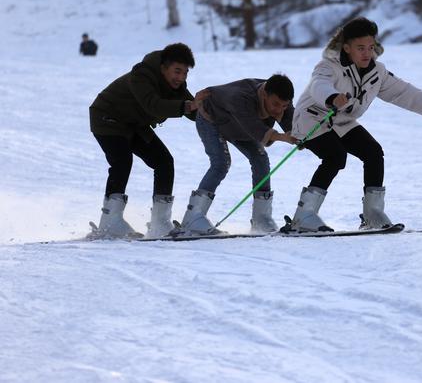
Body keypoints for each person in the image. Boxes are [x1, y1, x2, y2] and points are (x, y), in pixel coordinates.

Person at [285, 17, 422, 233]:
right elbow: (319, 85)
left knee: (373, 152)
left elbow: (403, 92)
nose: (367, 53)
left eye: (371, 47)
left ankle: (372, 214)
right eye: (360, 48)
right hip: (313, 118)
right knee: (335, 156)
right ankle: (303, 217)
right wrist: (332, 97)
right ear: (346, 48)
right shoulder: (328, 66)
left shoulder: (378, 72)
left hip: (342, 121)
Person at [89, 43, 199, 239]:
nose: (180, 78)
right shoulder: (142, 75)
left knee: (164, 162)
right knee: (122, 161)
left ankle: (160, 223)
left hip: (133, 124)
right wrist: (188, 106)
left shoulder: (176, 85)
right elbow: (154, 106)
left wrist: (215, 112)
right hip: (107, 117)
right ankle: (109, 223)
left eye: (185, 73)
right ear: (164, 67)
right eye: (177, 71)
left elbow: (193, 110)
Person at [177, 74, 297, 235]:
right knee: (221, 163)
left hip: (237, 125)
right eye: (275, 104)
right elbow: (253, 126)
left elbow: (293, 123)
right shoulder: (240, 98)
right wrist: (283, 137)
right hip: (211, 118)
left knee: (260, 159)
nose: (278, 110)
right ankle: (193, 218)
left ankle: (261, 218)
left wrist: (299, 135)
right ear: (264, 94)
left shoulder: (281, 99)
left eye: (284, 106)